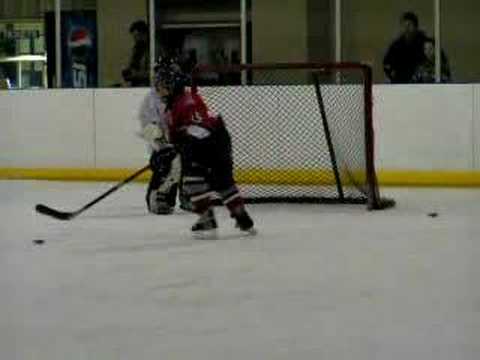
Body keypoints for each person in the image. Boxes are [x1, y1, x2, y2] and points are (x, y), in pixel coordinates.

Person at [150, 60, 255, 236]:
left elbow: (198, 128)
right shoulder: (174, 104)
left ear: (172, 85)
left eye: (161, 86)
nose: (158, 90)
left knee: (193, 181)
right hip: (212, 141)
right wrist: (168, 150)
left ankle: (207, 220)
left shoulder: (186, 101)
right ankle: (242, 218)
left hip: (208, 143)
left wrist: (182, 145)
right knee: (223, 182)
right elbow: (180, 135)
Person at [137, 58, 192, 214]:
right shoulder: (150, 100)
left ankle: (189, 194)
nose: (159, 83)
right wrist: (161, 147)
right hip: (164, 147)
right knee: (167, 162)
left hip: (183, 145)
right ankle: (160, 195)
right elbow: (148, 126)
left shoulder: (185, 98)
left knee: (191, 161)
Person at [383, 11, 428, 83]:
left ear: (416, 27)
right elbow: (387, 64)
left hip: (421, 84)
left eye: (409, 25)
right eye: (404, 25)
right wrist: (393, 76)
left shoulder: (425, 43)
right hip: (400, 84)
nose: (406, 29)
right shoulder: (396, 46)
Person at [122, 20, 150, 87]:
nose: (135, 39)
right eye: (134, 37)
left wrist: (137, 74)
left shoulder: (152, 49)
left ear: (144, 34)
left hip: (146, 86)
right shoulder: (136, 48)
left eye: (137, 36)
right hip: (136, 85)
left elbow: (154, 72)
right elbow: (132, 64)